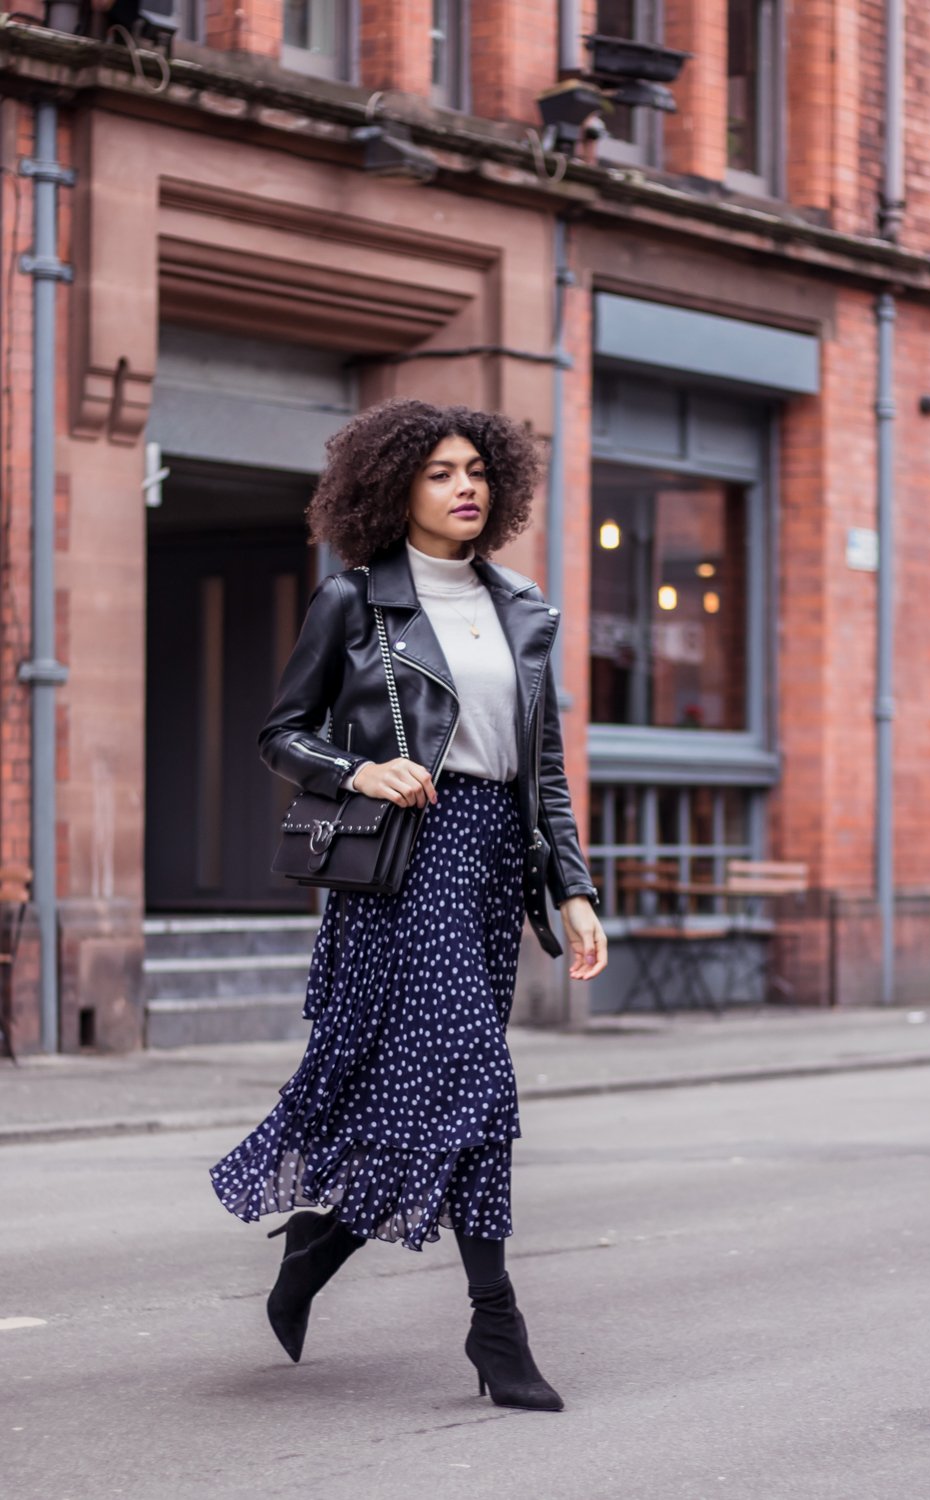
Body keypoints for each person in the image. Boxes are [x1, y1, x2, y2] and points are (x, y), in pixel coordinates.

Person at [210, 398, 607, 1413]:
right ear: (395, 487)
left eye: (476, 469)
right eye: (438, 472)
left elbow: (543, 771)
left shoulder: (520, 607)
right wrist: (360, 771)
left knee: (443, 1089)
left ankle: (320, 1243)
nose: (464, 485)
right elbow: (280, 733)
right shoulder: (355, 602)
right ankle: (497, 1326)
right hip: (401, 867)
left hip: (487, 870)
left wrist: (572, 890)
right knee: (477, 1079)